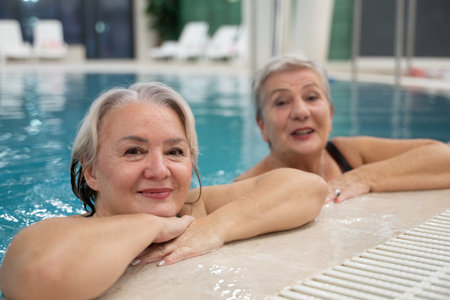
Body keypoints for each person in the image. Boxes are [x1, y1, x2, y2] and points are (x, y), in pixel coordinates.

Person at [0, 82, 327, 300]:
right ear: (91, 172)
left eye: (175, 152)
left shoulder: (195, 210)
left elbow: (307, 188)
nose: (159, 171)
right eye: (133, 152)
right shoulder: (61, 234)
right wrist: (152, 226)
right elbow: (40, 279)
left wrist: (214, 228)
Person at [235, 53, 450, 203]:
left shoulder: (349, 154)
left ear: (330, 114)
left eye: (311, 97)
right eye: (281, 102)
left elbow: (443, 156)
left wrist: (367, 176)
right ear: (262, 126)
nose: (301, 112)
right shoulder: (246, 188)